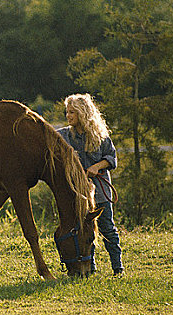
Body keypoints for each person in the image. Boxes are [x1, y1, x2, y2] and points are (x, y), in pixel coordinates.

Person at [57, 93, 124, 276]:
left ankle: (118, 268)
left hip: (100, 192)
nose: (68, 116)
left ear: (83, 113)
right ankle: (90, 268)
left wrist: (97, 166)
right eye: (67, 112)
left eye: (72, 112)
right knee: (84, 232)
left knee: (108, 229)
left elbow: (111, 158)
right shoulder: (62, 136)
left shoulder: (100, 136)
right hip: (78, 195)